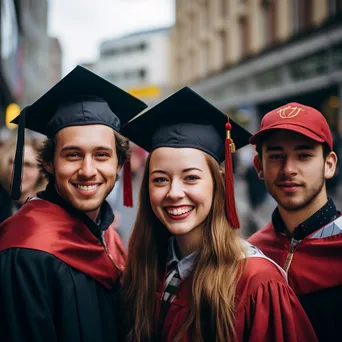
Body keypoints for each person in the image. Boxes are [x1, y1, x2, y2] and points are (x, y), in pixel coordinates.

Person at [120, 88, 318, 342]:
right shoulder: (145, 269)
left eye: (191, 177)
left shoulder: (256, 282)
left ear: (219, 184)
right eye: (160, 180)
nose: (174, 192)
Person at [0, 65, 147, 342]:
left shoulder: (108, 238)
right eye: (73, 155)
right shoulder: (24, 250)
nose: (88, 170)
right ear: (49, 163)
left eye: (102, 155)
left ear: (120, 162)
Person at [248, 102, 341, 342]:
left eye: (304, 156)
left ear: (329, 165)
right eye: (276, 156)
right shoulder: (251, 254)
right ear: (260, 167)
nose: (289, 169)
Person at [107, 142, 147, 247]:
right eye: (133, 156)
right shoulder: (117, 176)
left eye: (139, 157)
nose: (136, 161)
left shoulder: (143, 180)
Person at [0, 135, 47, 223]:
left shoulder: (48, 208)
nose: (18, 171)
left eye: (27, 164)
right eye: (13, 162)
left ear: (41, 171)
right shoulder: (3, 201)